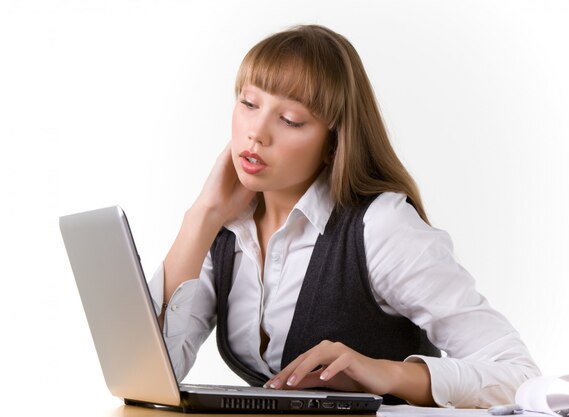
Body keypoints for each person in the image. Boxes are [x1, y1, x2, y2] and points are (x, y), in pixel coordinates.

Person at [148, 24, 540, 408]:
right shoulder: (227, 228)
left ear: (333, 141)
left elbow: (518, 375)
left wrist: (386, 373)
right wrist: (201, 216)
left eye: (290, 120)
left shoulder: (382, 226)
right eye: (248, 104)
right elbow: (153, 374)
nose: (256, 133)